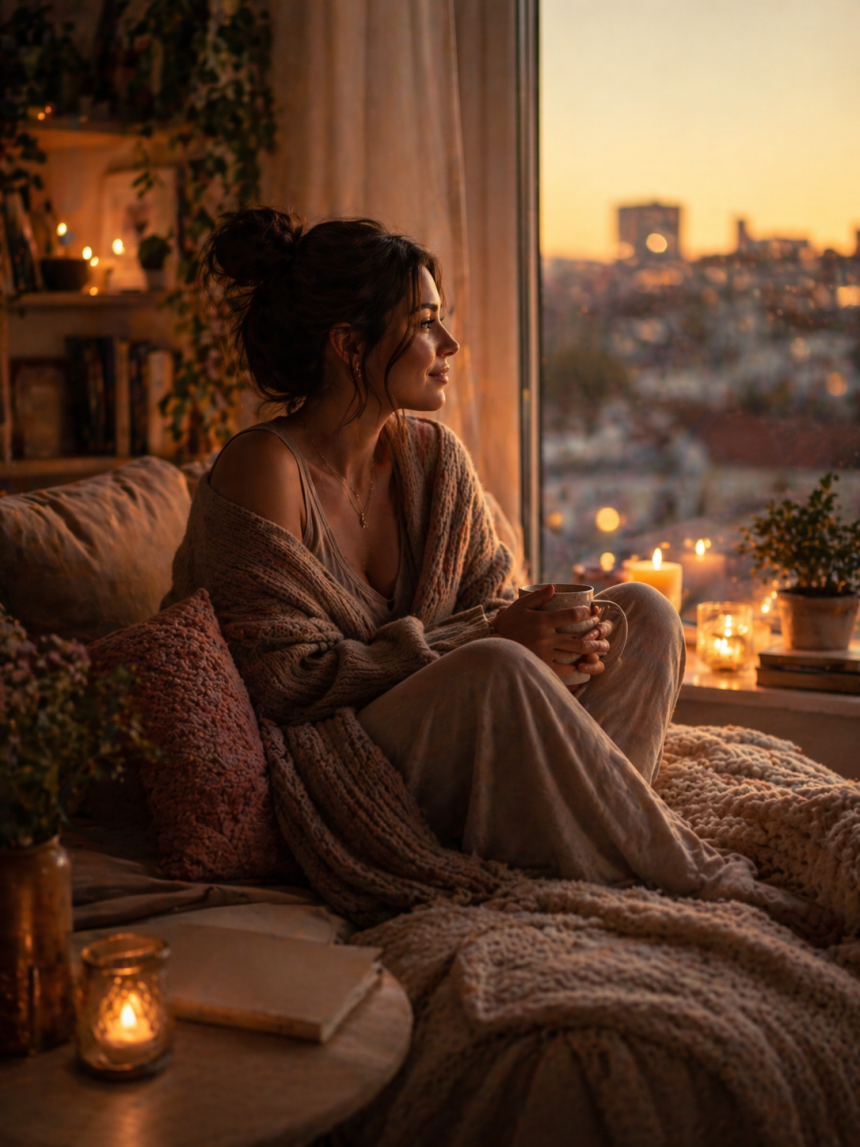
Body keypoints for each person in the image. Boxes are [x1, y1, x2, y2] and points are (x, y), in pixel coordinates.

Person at [166, 208, 834, 940]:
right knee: (495, 667)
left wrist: (559, 636)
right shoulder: (265, 468)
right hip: (343, 762)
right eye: (424, 323)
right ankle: (700, 878)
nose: (449, 344)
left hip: (456, 730)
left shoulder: (435, 458)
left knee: (641, 613)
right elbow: (282, 681)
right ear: (349, 345)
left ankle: (586, 847)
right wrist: (486, 641)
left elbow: (490, 605)